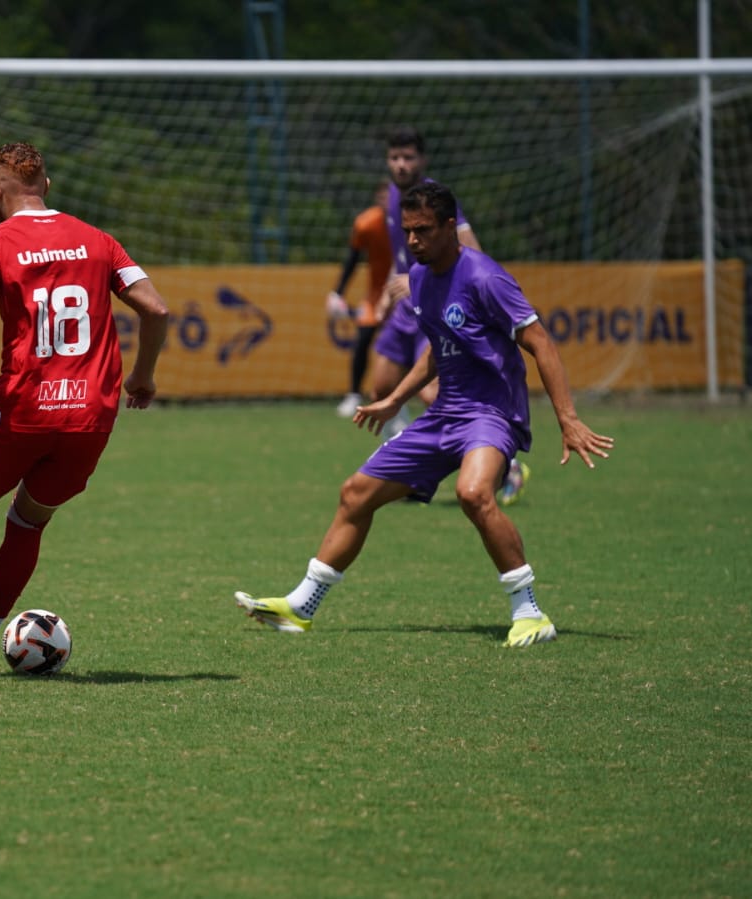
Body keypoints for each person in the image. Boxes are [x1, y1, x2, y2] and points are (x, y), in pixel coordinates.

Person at [235, 182, 614, 648]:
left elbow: (541, 344)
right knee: (356, 493)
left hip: (491, 413)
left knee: (473, 493)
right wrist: (396, 398)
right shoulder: (421, 278)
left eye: (424, 230)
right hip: (445, 413)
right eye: (408, 230)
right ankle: (302, 606)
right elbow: (438, 349)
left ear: (450, 227)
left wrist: (568, 418)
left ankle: (530, 613)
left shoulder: (485, 277)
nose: (413, 241)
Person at [0, 142, 169, 679]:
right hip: (90, 417)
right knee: (28, 523)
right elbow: (156, 307)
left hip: (25, 407)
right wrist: (142, 375)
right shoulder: (97, 241)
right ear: (46, 186)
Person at [367, 128, 528, 503]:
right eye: (395, 158)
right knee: (380, 388)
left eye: (408, 158)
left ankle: (505, 465)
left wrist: (423, 280)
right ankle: (405, 468)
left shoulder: (434, 200)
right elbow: (405, 251)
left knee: (430, 391)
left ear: (422, 161)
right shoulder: (392, 197)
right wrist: (386, 295)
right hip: (405, 305)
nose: (401, 165)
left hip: (435, 301)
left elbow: (469, 248)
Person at [325, 204, 393, 418]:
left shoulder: (409, 221)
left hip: (405, 292)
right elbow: (353, 259)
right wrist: (338, 292)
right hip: (374, 296)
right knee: (362, 340)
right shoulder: (367, 223)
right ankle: (354, 394)